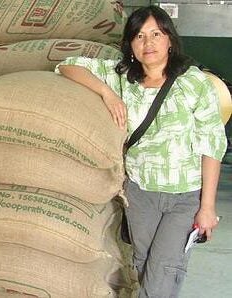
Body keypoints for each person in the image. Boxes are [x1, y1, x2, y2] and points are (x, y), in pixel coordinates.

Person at [55, 5, 227, 298]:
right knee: (143, 266)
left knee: (163, 273)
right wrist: (107, 93)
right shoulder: (122, 78)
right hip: (140, 194)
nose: (148, 43)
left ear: (170, 40)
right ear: (130, 46)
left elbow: (212, 144)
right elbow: (66, 66)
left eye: (156, 34)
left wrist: (207, 207)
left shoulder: (193, 82)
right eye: (139, 36)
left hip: (183, 197)